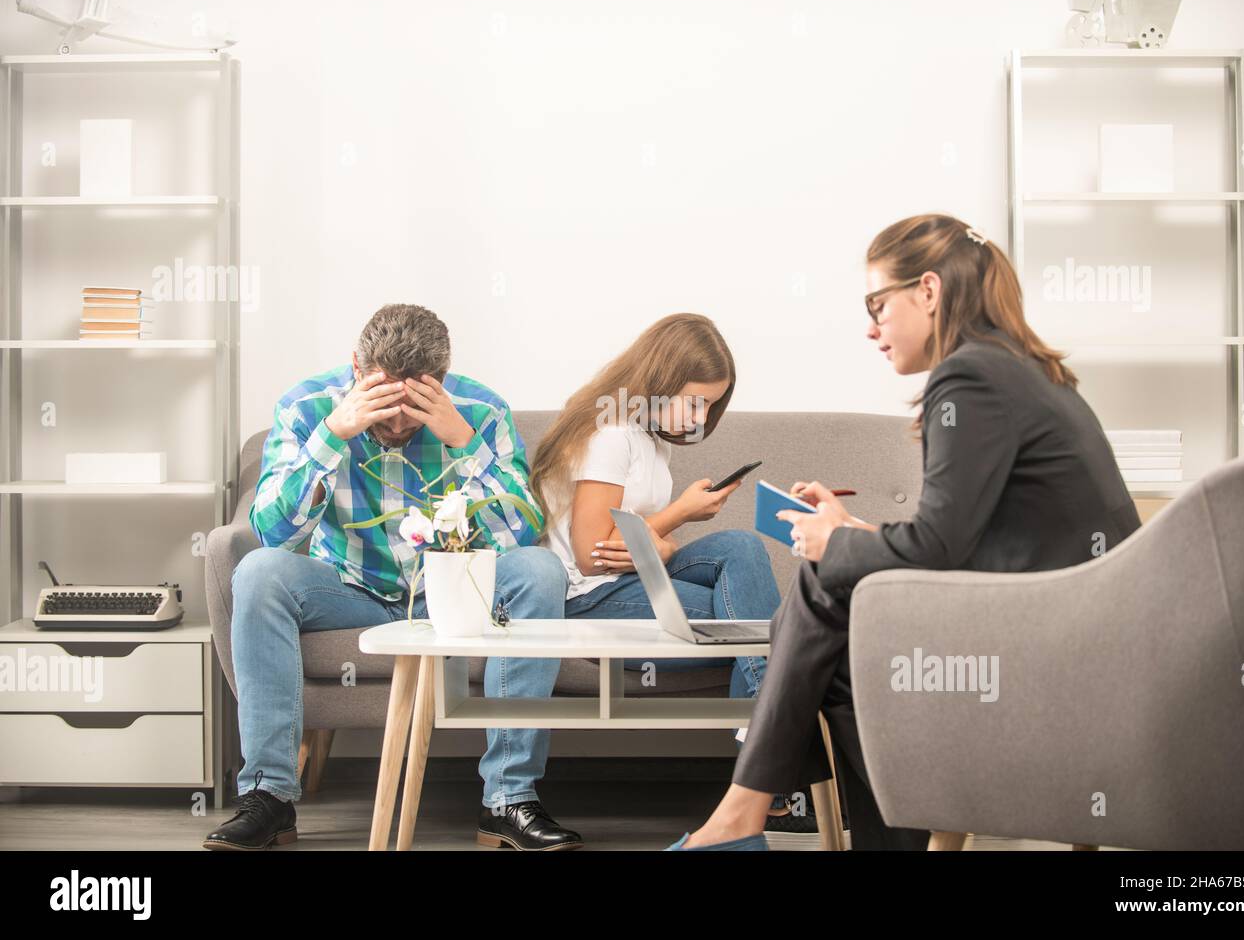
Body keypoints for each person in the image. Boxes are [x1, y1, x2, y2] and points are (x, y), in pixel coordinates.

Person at [669, 214, 1142, 850]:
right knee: (829, 621)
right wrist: (854, 532)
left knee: (818, 593)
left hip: (1044, 642)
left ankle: (740, 818)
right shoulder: (1019, 369)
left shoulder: (969, 377)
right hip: (1075, 626)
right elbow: (964, 540)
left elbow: (941, 548)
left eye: (877, 304)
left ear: (928, 291)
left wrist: (838, 544)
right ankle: (761, 819)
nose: (871, 328)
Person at [203, 303, 583, 851]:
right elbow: (273, 535)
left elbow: (522, 531)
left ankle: (508, 799)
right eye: (385, 402)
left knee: (541, 570)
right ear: (357, 368)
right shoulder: (307, 407)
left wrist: (464, 443)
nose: (399, 424)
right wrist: (333, 436)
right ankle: (270, 798)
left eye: (413, 406)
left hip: (451, 594)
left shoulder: (480, 411)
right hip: (349, 590)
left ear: (441, 381)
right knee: (258, 573)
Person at [527, 314, 805, 825]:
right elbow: (593, 556)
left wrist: (658, 540)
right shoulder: (611, 434)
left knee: (742, 546)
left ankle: (764, 762)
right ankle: (773, 773)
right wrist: (677, 515)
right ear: (659, 381)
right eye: (695, 401)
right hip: (590, 596)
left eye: (711, 405)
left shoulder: (647, 435)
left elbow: (634, 541)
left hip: (634, 576)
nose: (700, 416)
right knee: (757, 621)